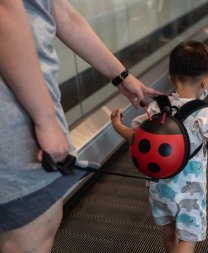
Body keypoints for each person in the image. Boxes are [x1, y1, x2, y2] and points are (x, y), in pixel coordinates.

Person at [0, 0, 161, 252]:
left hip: (24, 99)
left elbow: (61, 12)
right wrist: (46, 121)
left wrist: (121, 76)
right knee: (32, 229)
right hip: (15, 107)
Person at [111, 40, 208, 253]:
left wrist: (117, 125)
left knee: (168, 233)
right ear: (207, 82)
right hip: (189, 193)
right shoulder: (205, 114)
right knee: (187, 241)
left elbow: (135, 138)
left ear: (170, 78)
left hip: (158, 188)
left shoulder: (159, 106)